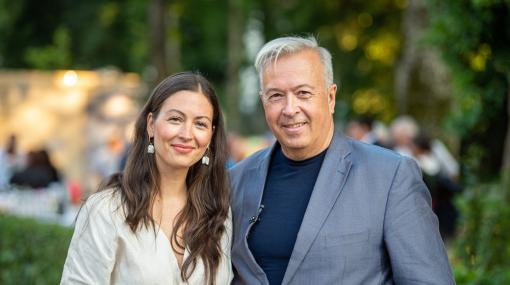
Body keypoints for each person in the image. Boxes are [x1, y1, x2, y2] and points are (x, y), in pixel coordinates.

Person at [229, 36, 454, 284]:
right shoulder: (235, 180)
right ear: (264, 102)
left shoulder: (390, 177)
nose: (290, 109)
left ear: (330, 97)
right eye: (276, 96)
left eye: (303, 93)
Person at [61, 72, 233, 285]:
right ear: (151, 124)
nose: (187, 134)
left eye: (200, 124)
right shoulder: (107, 209)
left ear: (210, 136)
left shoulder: (218, 214)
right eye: (175, 119)